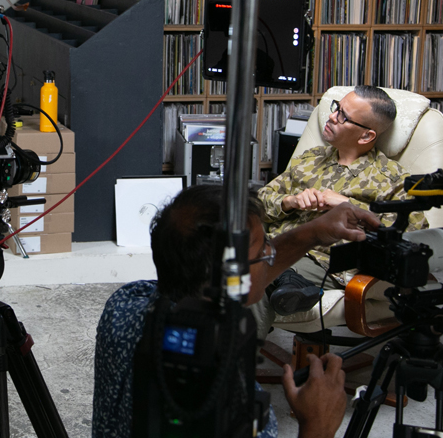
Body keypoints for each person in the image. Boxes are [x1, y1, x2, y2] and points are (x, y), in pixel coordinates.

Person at [93, 184, 381, 438]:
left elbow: (239, 281)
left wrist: (313, 232)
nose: (271, 254)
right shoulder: (227, 403)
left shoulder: (125, 304)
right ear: (230, 281)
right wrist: (317, 426)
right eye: (262, 252)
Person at [255, 86, 427, 329]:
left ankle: (236, 360)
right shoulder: (310, 159)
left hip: (319, 259)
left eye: (344, 116)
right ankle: (289, 283)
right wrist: (289, 202)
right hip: (274, 240)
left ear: (366, 136)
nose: (332, 116)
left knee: (252, 278)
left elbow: (411, 234)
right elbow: (259, 203)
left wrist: (348, 205)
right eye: (336, 107)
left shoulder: (392, 178)